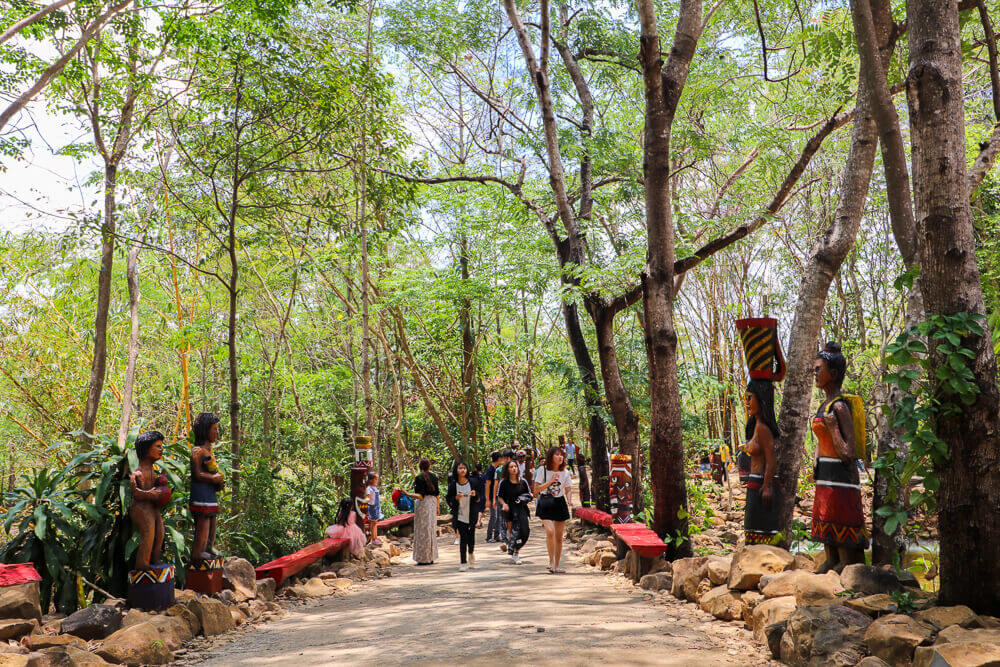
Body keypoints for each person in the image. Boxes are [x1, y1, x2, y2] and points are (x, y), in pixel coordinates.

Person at [811, 342, 868, 573]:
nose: (814, 373)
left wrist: (833, 428)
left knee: (839, 514)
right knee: (824, 515)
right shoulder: (824, 405)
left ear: (832, 374)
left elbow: (848, 452)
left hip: (841, 478)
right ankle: (830, 558)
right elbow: (820, 439)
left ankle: (846, 562)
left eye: (818, 369)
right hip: (825, 474)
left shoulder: (840, 407)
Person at [743, 379, 781, 545]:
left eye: (750, 398)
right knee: (751, 530)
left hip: (760, 485)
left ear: (762, 399)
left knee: (760, 533)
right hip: (754, 483)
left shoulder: (763, 429)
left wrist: (767, 485)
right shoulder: (756, 427)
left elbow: (771, 458)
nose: (748, 403)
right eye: (747, 399)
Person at [130, 431, 171, 570]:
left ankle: (155, 559)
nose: (161, 450)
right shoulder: (138, 473)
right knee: (148, 532)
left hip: (152, 508)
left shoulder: (153, 471)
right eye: (158, 446)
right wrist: (150, 494)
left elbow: (156, 489)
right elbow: (136, 493)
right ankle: (143, 563)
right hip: (140, 508)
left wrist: (161, 483)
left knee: (160, 532)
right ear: (146, 449)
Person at [190, 412, 224, 562]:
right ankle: (199, 551)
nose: (217, 433)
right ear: (205, 430)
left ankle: (209, 548)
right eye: (214, 429)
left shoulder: (209, 449)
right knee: (203, 522)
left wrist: (218, 481)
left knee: (212, 520)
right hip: (201, 495)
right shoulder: (198, 451)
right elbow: (197, 474)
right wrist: (213, 478)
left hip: (209, 494)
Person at [534, 446, 573, 573]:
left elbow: (568, 488)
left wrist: (569, 499)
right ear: (551, 457)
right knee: (550, 531)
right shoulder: (542, 470)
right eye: (557, 455)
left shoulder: (566, 472)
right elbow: (536, 490)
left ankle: (557, 565)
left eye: (562, 455)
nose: (560, 457)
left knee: (559, 537)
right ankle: (551, 562)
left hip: (560, 503)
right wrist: (551, 481)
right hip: (546, 501)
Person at [446, 461, 483, 571]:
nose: (462, 470)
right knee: (463, 538)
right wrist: (455, 498)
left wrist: (475, 495)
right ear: (456, 470)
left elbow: (479, 498)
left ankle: (471, 554)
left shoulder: (473, 482)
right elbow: (449, 500)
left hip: (471, 514)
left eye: (464, 468)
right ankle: (463, 562)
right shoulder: (453, 485)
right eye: (460, 468)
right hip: (460, 515)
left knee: (471, 537)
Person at [497, 459, 532, 565]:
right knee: (513, 531)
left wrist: (524, 499)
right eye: (511, 467)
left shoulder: (523, 481)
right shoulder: (503, 482)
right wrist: (504, 504)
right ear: (507, 469)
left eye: (515, 466)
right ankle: (515, 552)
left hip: (521, 509)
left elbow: (530, 494)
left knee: (525, 531)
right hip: (509, 509)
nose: (514, 468)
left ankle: (513, 548)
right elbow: (499, 496)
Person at [411, 458, 439, 565]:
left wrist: (407, 494)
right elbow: (437, 493)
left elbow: (420, 496)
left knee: (421, 530)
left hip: (422, 505)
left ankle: (422, 558)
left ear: (420, 467)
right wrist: (437, 506)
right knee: (431, 529)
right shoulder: (434, 477)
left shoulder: (418, 478)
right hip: (432, 503)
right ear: (429, 467)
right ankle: (431, 557)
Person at [484, 452, 500, 541]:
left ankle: (497, 536)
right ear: (498, 459)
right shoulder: (491, 470)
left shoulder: (496, 469)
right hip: (491, 496)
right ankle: (489, 537)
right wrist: (487, 499)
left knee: (498, 516)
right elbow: (487, 484)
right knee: (494, 516)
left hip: (496, 496)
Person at [366, 471, 383, 545]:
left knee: (375, 522)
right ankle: (373, 538)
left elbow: (375, 497)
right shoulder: (369, 488)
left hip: (376, 507)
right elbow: (368, 498)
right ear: (371, 480)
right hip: (372, 507)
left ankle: (375, 537)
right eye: (376, 479)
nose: (377, 481)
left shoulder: (374, 488)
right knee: (373, 523)